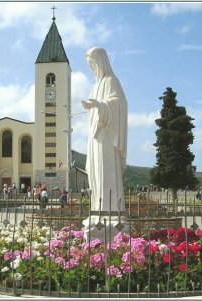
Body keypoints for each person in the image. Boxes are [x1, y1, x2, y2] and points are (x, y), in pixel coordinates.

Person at [81, 47, 128, 240]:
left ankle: (112, 214)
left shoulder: (111, 81)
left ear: (101, 61)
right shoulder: (95, 86)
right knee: (95, 173)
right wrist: (93, 106)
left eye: (93, 62)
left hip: (108, 138)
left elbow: (119, 104)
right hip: (95, 137)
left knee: (106, 173)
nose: (92, 67)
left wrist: (99, 106)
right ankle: (97, 211)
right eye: (89, 64)